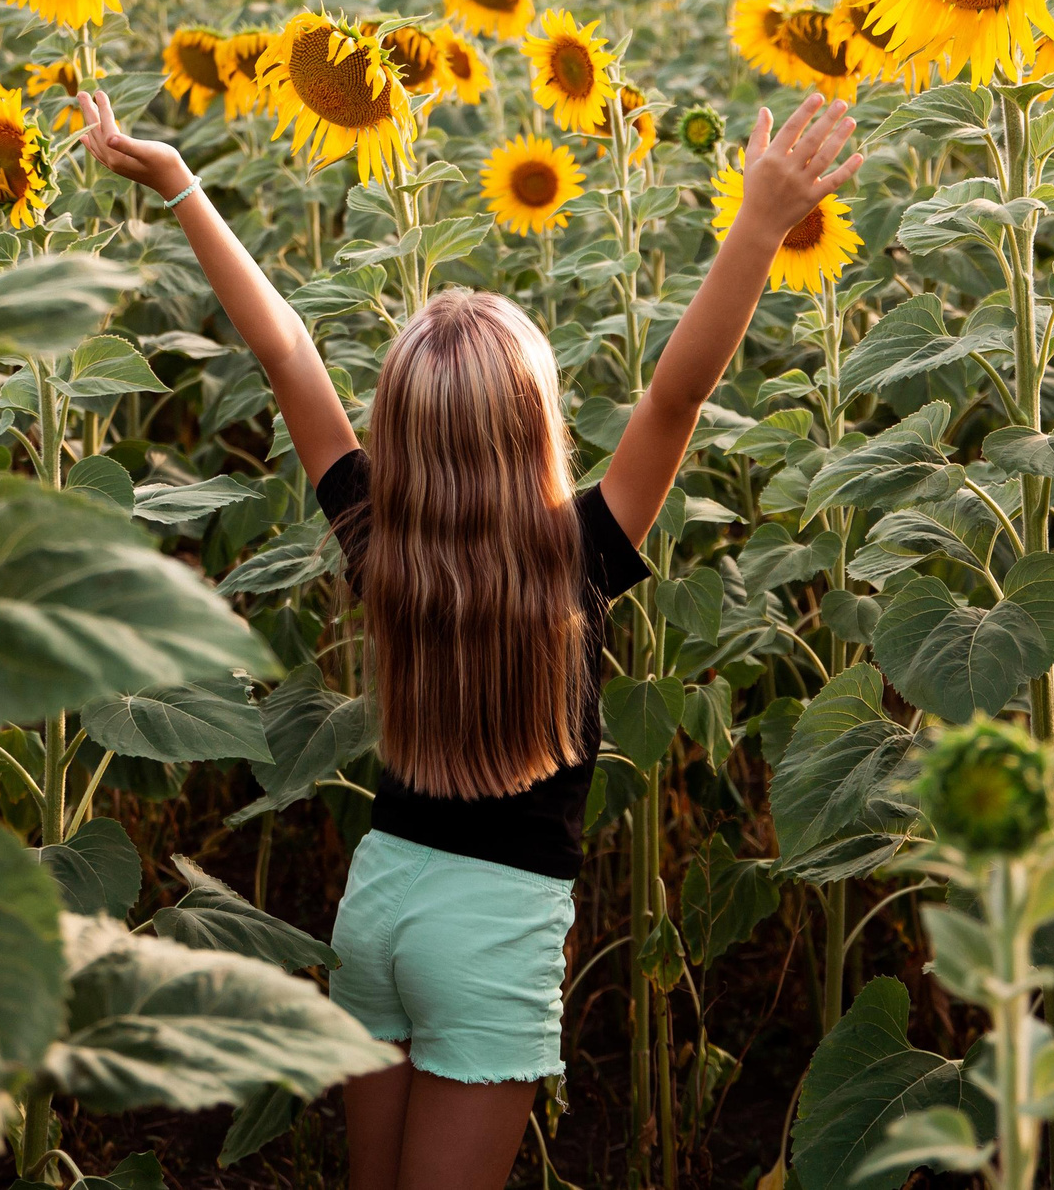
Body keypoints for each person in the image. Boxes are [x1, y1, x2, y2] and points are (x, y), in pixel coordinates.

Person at [73, 87, 862, 1190]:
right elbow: (677, 397)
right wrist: (756, 227)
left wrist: (180, 183)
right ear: (535, 425)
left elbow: (288, 352)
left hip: (381, 897)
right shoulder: (576, 553)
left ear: (397, 430)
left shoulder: (376, 535)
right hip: (494, 926)